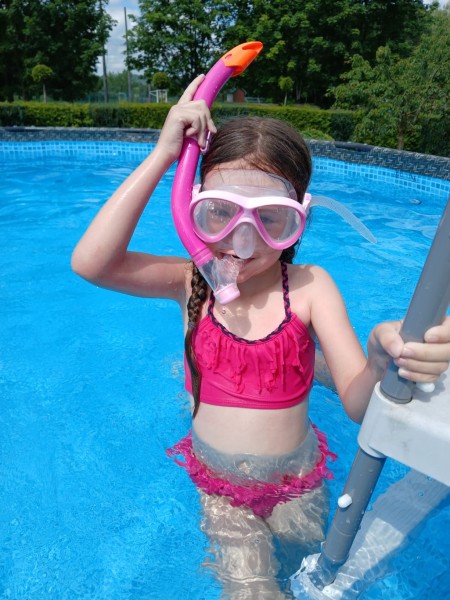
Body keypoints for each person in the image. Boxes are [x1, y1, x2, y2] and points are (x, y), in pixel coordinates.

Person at [71, 75, 450, 599]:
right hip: (221, 488)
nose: (243, 241)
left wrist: (380, 362)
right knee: (253, 590)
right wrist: (163, 155)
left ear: (299, 220)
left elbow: (358, 405)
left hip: (298, 482)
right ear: (192, 207)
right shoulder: (190, 280)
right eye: (220, 213)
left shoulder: (312, 287)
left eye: (271, 219)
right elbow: (91, 264)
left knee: (310, 576)